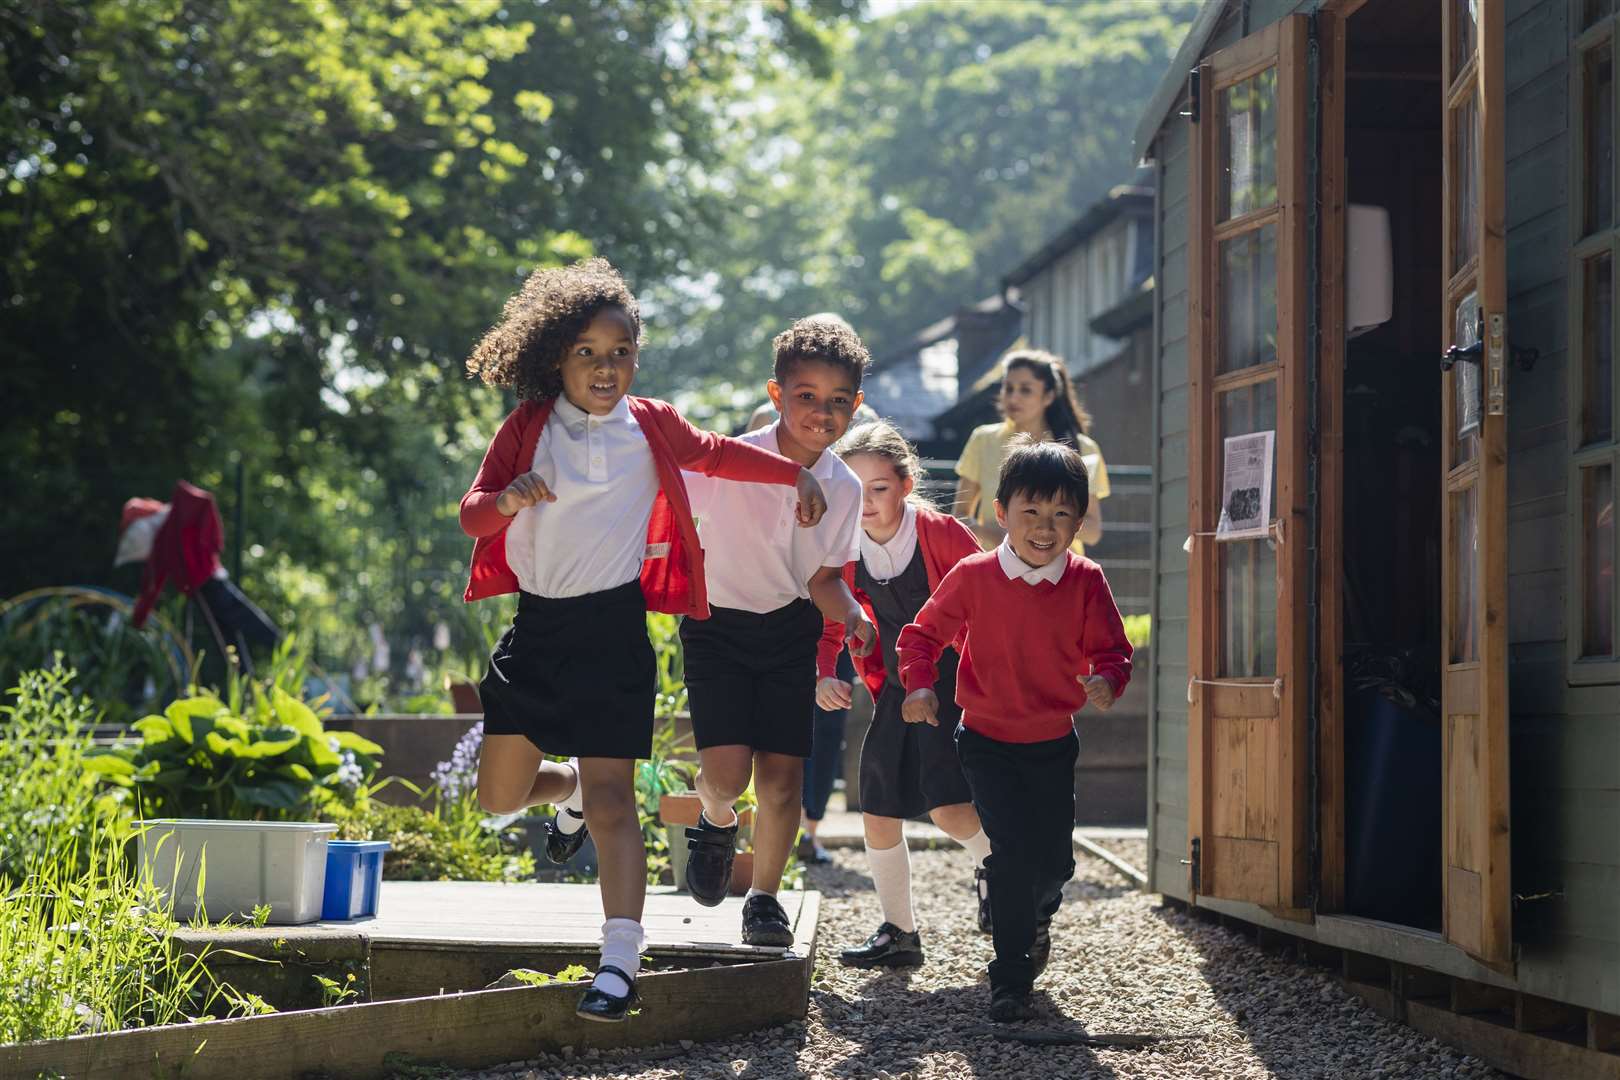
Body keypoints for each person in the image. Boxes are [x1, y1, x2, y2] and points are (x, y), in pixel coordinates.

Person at [458, 258, 829, 1022]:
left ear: (637, 357)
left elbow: (717, 453)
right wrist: (505, 499)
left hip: (614, 633)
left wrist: (792, 474)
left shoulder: (650, 424)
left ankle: (620, 962)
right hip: (536, 633)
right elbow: (471, 515)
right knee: (496, 801)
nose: (605, 366)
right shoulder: (528, 426)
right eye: (587, 352)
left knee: (616, 805)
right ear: (556, 356)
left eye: (620, 352)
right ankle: (558, 793)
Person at [897, 438, 1132, 1023]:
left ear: (1079, 521)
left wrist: (1108, 678)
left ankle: (1038, 916)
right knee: (1008, 858)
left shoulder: (1086, 580)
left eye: (1061, 515)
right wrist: (919, 684)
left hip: (1052, 742)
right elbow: (920, 636)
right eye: (1031, 511)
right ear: (1001, 512)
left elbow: (1115, 650)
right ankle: (1010, 979)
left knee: (1053, 865)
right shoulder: (974, 575)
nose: (1045, 528)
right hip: (985, 741)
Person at [680, 315, 875, 947]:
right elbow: (671, 519)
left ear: (856, 405)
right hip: (716, 624)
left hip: (790, 629)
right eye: (807, 397)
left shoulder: (844, 488)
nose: (823, 412)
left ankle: (763, 899)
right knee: (728, 777)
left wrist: (852, 613)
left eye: (838, 401)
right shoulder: (731, 461)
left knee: (784, 778)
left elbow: (823, 579)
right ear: (776, 396)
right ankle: (714, 819)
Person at [813, 421, 994, 969]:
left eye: (880, 488)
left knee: (948, 807)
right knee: (877, 801)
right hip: (896, 683)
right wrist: (826, 672)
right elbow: (827, 618)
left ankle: (1003, 867)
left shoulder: (941, 534)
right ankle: (899, 931)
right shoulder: (841, 545)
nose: (865, 502)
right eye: (853, 489)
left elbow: (988, 605)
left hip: (953, 678)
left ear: (907, 484)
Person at [952, 349, 1110, 555]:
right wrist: (997, 535)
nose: (1013, 397)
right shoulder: (983, 440)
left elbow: (1092, 530)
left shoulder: (1082, 448)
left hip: (1062, 571)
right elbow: (960, 515)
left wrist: (1041, 529)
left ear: (1049, 396)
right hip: (998, 566)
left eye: (1025, 390)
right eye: (1008, 388)